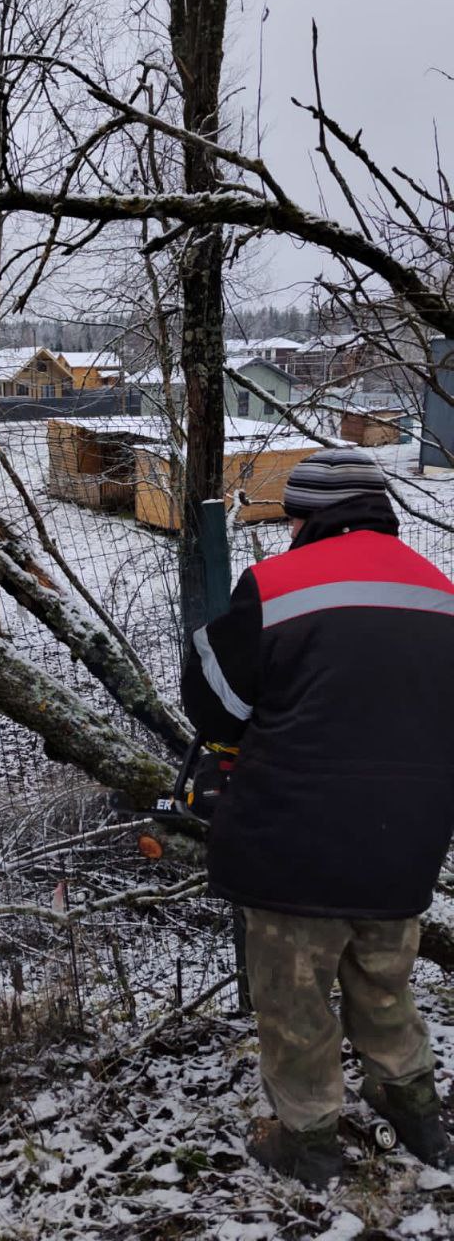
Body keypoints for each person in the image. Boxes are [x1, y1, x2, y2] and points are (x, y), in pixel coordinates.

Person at [181, 449, 454, 1188]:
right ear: (379, 513)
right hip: (405, 843)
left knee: (295, 999)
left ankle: (309, 1143)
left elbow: (214, 702)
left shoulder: (277, 585)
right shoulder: (441, 592)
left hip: (292, 839)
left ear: (304, 517)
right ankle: (419, 1115)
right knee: (385, 982)